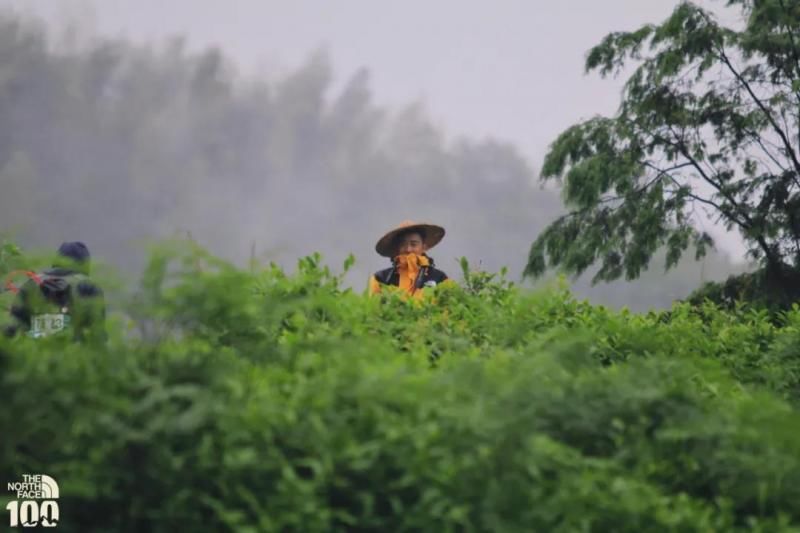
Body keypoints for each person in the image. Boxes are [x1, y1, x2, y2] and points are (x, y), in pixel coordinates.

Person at [3, 241, 106, 342]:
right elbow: (97, 333)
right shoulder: (89, 287)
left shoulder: (32, 283)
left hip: (33, 353)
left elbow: (14, 326)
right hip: (73, 354)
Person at [369, 220, 451, 299]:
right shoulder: (381, 279)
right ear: (397, 248)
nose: (408, 249)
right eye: (403, 244)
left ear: (424, 247)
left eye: (414, 244)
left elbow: (449, 308)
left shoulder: (439, 278)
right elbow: (374, 310)